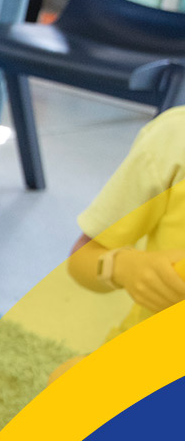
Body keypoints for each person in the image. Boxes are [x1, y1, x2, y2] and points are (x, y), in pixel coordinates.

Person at [67, 106, 185, 339]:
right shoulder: (175, 136)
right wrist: (125, 267)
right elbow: (81, 258)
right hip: (153, 351)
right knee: (65, 376)